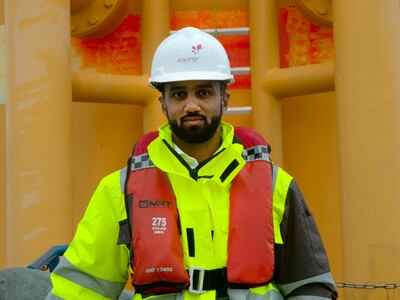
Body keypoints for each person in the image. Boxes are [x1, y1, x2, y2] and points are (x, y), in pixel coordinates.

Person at [46, 27, 338, 299]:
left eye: (203, 92)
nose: (191, 106)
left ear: (225, 99)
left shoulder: (276, 185)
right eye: (179, 94)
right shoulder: (119, 190)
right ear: (163, 103)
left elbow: (310, 285)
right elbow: (81, 286)